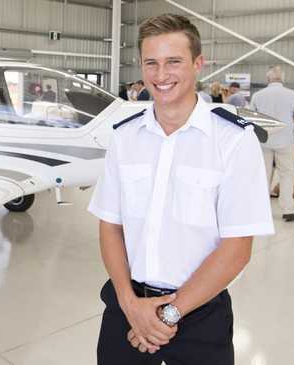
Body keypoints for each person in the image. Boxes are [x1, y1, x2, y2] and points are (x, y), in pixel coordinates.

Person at [88, 14, 274, 365]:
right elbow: (110, 225)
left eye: (173, 62)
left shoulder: (233, 140)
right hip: (126, 308)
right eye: (151, 63)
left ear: (198, 63)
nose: (161, 75)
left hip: (199, 315)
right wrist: (130, 305)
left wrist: (167, 315)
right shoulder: (125, 137)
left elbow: (237, 247)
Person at [250, 65, 294, 222]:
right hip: (285, 140)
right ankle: (288, 210)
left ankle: (261, 211)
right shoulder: (292, 94)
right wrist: (289, 123)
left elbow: (251, 116)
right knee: (286, 174)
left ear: (268, 79)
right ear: (282, 79)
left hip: (264, 139)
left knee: (263, 175)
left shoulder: (258, 95)